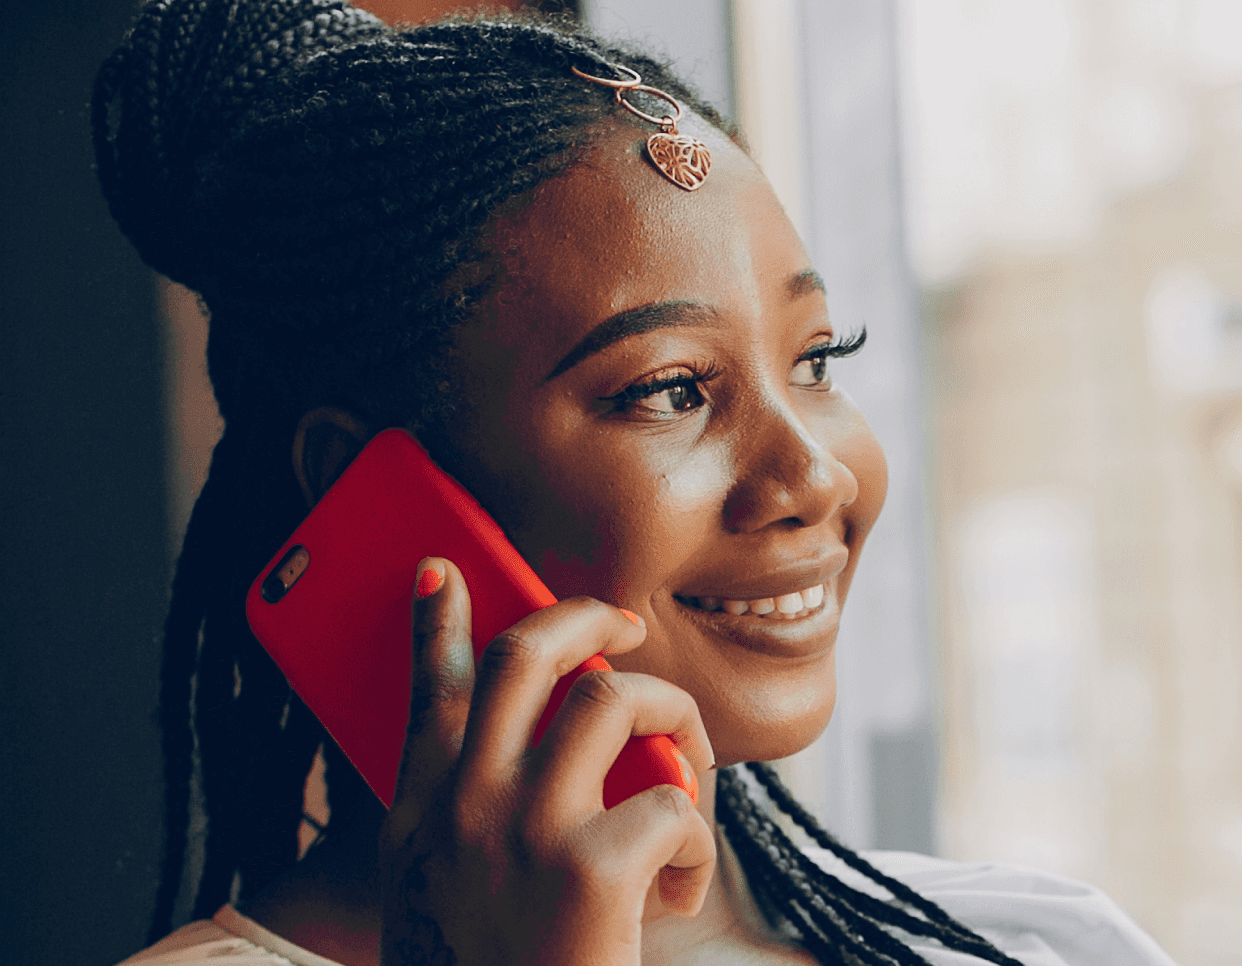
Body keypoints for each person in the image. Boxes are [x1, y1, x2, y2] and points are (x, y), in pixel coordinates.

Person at [89, 3, 1180, 964]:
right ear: (367, 490)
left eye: (815, 360)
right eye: (670, 389)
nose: (810, 471)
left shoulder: (1024, 942)